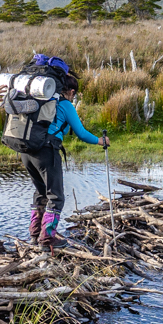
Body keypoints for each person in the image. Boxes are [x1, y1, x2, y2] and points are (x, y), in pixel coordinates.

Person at [19, 67, 110, 248]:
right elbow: (82, 134)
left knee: (40, 192)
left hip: (26, 151)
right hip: (46, 153)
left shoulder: (41, 99)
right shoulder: (65, 104)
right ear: (72, 91)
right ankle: (47, 239)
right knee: (56, 196)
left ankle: (35, 235)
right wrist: (101, 141)